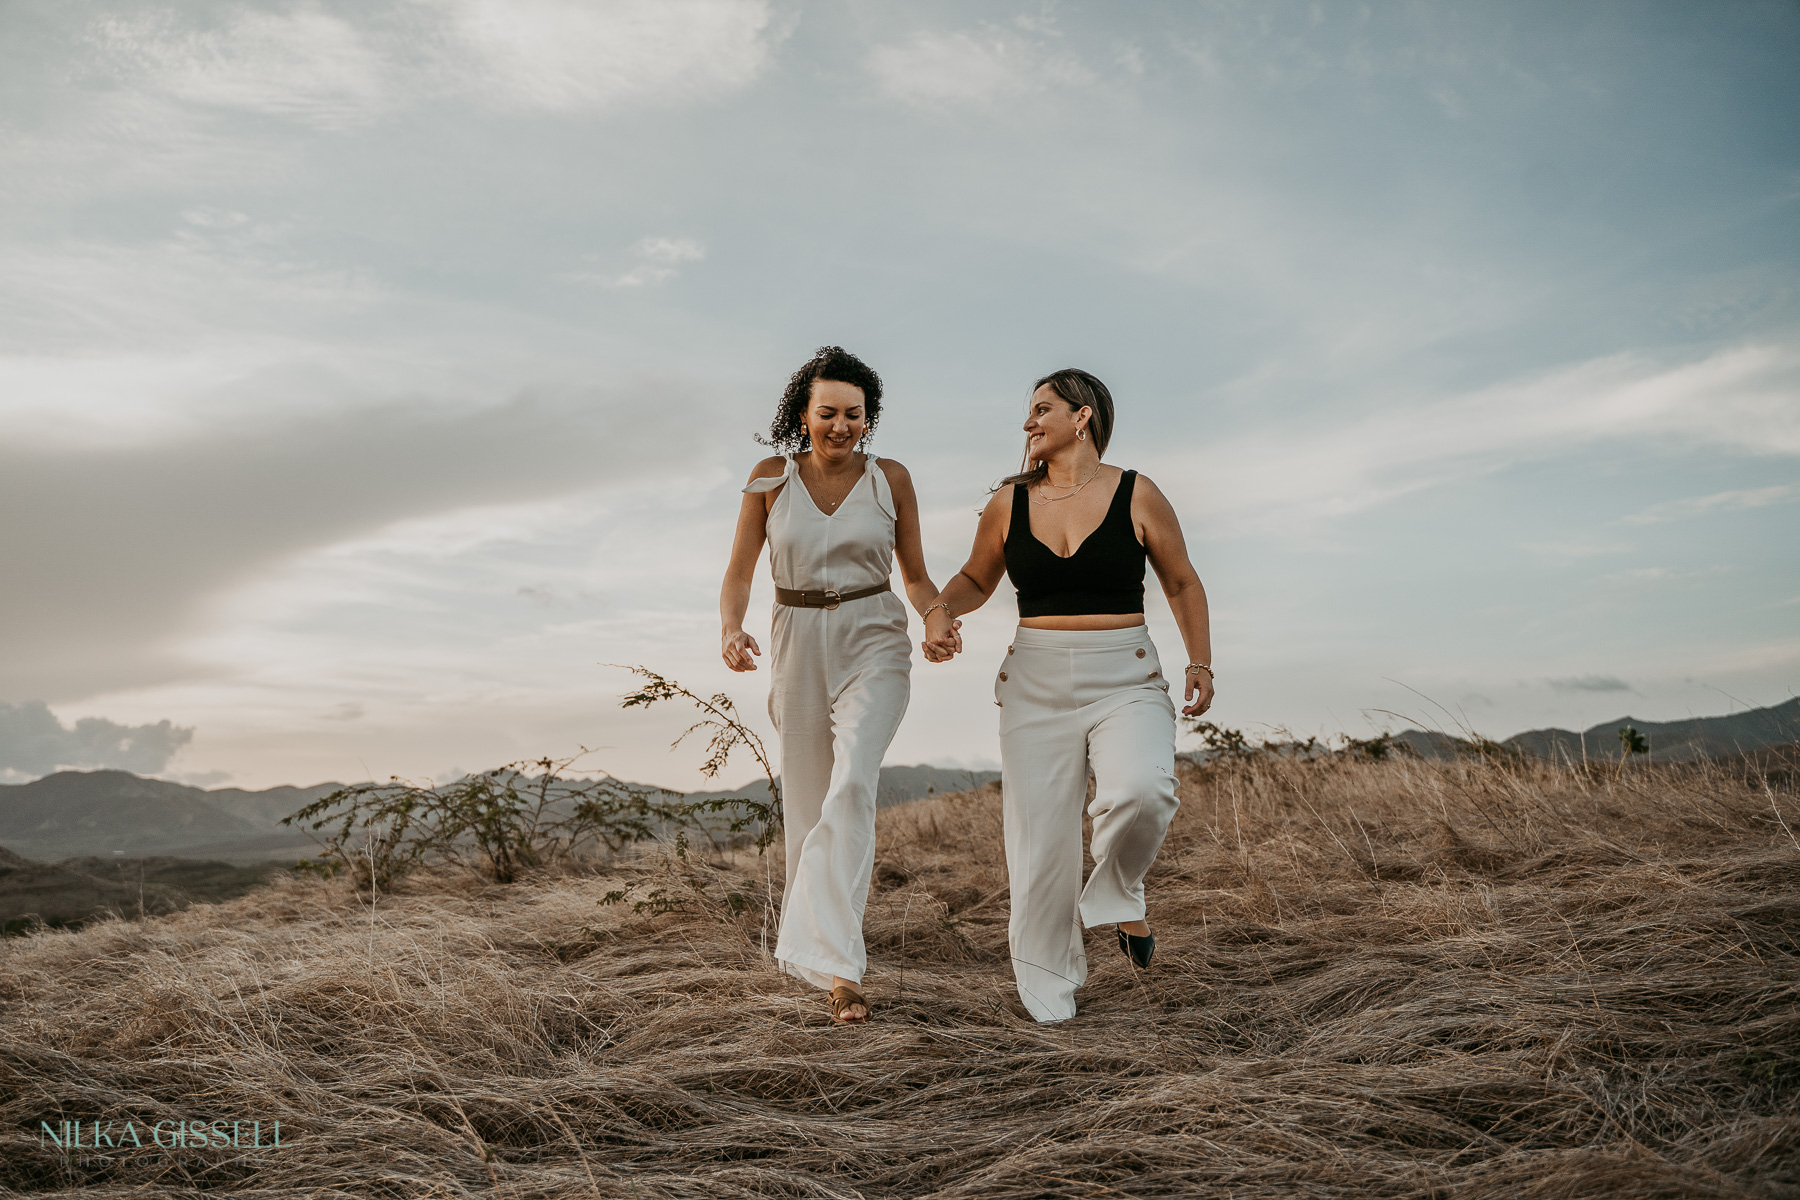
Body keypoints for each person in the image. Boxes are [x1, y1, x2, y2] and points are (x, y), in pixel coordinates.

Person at [919, 368, 1214, 1022]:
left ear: (1083, 417)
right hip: (1036, 682)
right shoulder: (1009, 502)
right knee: (1039, 847)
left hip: (1126, 675)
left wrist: (1202, 661)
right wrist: (941, 609)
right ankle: (1050, 997)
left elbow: (1182, 581)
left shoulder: (1138, 493)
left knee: (1143, 791)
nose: (1028, 422)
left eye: (1041, 408)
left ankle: (1118, 893)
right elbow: (975, 575)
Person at [719, 346, 948, 1024]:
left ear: (868, 420)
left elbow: (915, 574)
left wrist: (936, 617)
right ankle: (823, 961)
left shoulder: (891, 479)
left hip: (874, 633)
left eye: (855, 415)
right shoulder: (768, 478)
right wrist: (731, 628)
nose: (842, 426)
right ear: (803, 415)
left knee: (851, 785)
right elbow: (738, 571)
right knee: (811, 803)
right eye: (829, 413)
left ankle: (843, 973)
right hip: (796, 641)